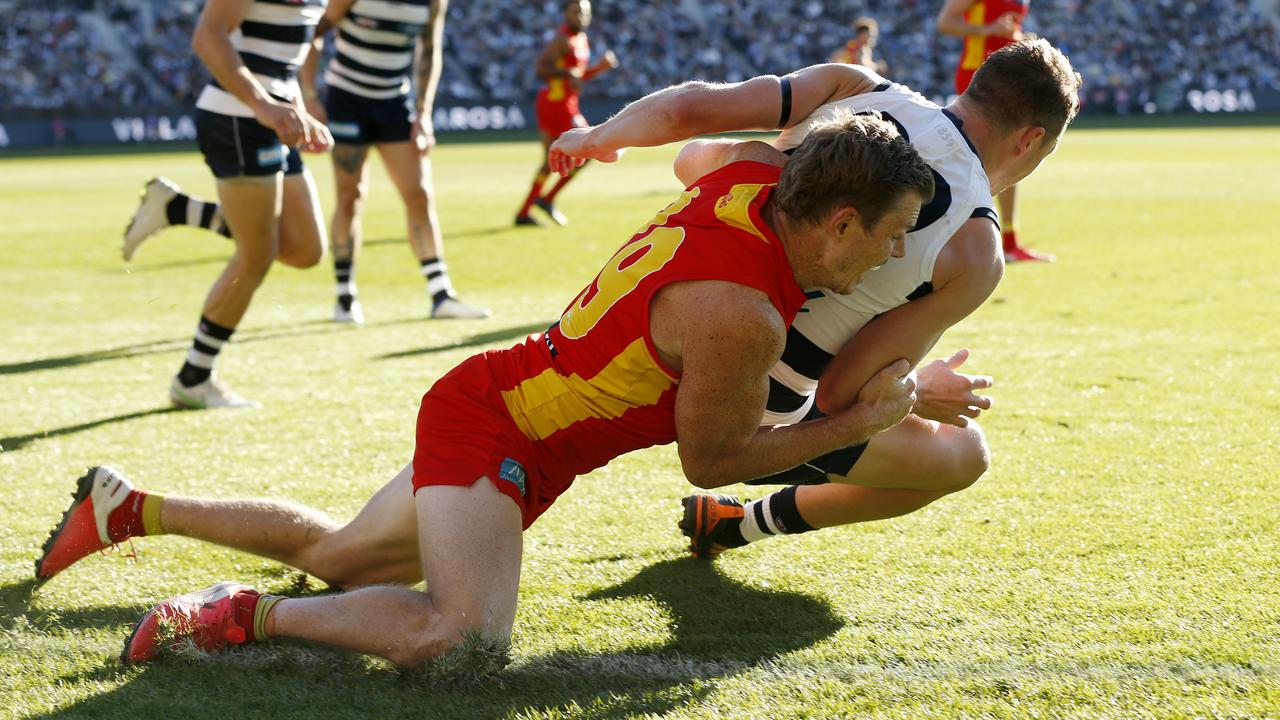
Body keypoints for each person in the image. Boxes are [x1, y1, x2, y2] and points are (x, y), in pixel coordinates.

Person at [36, 113, 935, 669]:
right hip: (504, 426)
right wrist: (857, 422)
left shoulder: (752, 172)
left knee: (344, 559)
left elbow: (696, 151)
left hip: (507, 401)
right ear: (841, 219)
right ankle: (237, 616)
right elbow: (712, 461)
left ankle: (132, 509)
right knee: (461, 643)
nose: (896, 255)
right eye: (893, 234)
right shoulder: (744, 318)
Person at [548, 38, 1081, 557]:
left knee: (714, 158)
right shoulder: (975, 251)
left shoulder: (851, 86)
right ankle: (742, 526)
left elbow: (685, 112)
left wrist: (599, 136)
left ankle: (734, 520)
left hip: (664, 319)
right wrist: (918, 388)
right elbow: (841, 396)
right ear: (1029, 140)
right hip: (753, 408)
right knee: (964, 456)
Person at [121, 0, 332, 410]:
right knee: (257, 254)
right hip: (238, 119)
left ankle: (178, 209)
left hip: (274, 120)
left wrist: (300, 113)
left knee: (305, 250)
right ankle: (193, 378)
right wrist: (264, 106)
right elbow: (208, 35)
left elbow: (286, 53)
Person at [301, 0, 489, 322]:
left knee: (419, 194)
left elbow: (430, 49)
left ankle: (441, 295)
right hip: (346, 100)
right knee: (350, 196)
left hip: (394, 103)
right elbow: (314, 32)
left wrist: (424, 112)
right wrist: (309, 94)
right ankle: (345, 298)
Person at [936, 0, 1052, 263]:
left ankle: (1009, 242)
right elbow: (945, 22)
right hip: (977, 75)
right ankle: (957, 240)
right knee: (972, 158)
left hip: (1010, 77)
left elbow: (1005, 30)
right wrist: (989, 29)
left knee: (1014, 153)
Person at [513, 0, 618, 228]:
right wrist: (566, 72)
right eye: (576, 12)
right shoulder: (561, 39)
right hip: (555, 104)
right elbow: (541, 68)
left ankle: (526, 211)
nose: (581, 17)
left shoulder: (580, 40)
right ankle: (545, 200)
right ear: (566, 14)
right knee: (592, 146)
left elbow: (576, 77)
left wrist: (599, 68)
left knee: (555, 160)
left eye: (585, 13)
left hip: (565, 103)